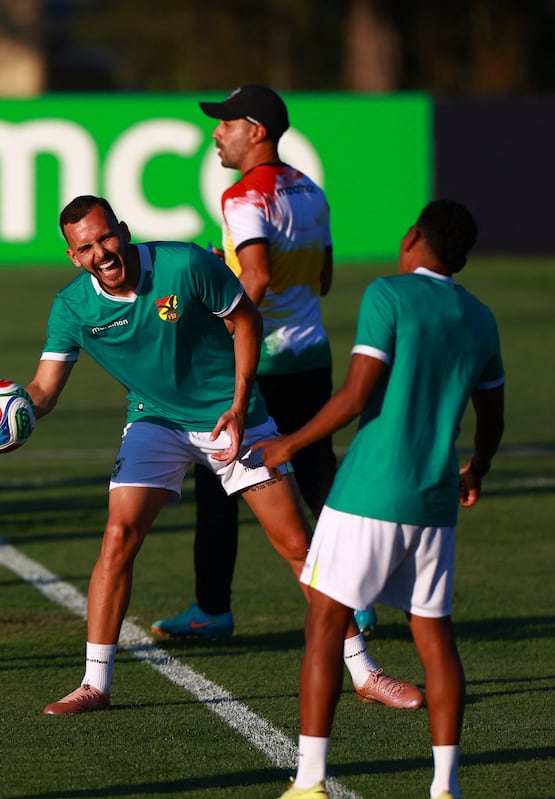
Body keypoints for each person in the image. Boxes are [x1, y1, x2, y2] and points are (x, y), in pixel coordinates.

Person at [28, 195, 422, 715]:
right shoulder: (72, 307)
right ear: (73, 256)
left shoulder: (185, 264)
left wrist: (239, 405)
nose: (100, 253)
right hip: (155, 421)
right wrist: (13, 418)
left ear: (123, 230)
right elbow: (44, 390)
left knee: (298, 545)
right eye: (86, 248)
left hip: (233, 416)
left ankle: (366, 673)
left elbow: (247, 321)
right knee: (118, 536)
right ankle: (95, 685)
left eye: (105, 238)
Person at [248, 200, 504, 799]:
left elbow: (358, 393)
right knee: (434, 638)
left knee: (325, 626)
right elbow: (492, 416)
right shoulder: (480, 316)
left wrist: (287, 444)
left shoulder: (388, 294)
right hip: (434, 500)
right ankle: (446, 791)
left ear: (413, 237)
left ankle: (309, 784)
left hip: (368, 492)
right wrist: (476, 469)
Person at [151, 84, 366, 640]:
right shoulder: (311, 190)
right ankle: (358, 597)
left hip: (258, 364)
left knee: (217, 483)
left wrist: (214, 325)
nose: (217, 133)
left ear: (258, 132)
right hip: (310, 355)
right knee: (318, 477)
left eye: (227, 123)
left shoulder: (244, 196)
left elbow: (258, 276)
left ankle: (212, 609)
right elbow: (323, 278)